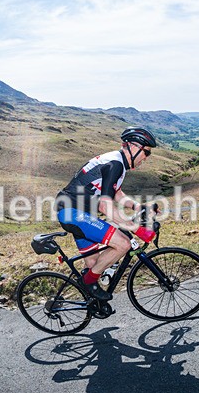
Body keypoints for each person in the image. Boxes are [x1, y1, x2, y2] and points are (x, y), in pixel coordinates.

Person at [55, 127, 159, 312]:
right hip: (72, 213)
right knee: (123, 244)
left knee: (95, 265)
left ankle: (92, 302)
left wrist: (138, 207)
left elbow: (116, 194)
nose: (147, 157)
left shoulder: (117, 162)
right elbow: (105, 206)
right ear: (133, 147)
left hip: (79, 213)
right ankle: (89, 283)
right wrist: (136, 228)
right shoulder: (115, 164)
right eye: (146, 152)